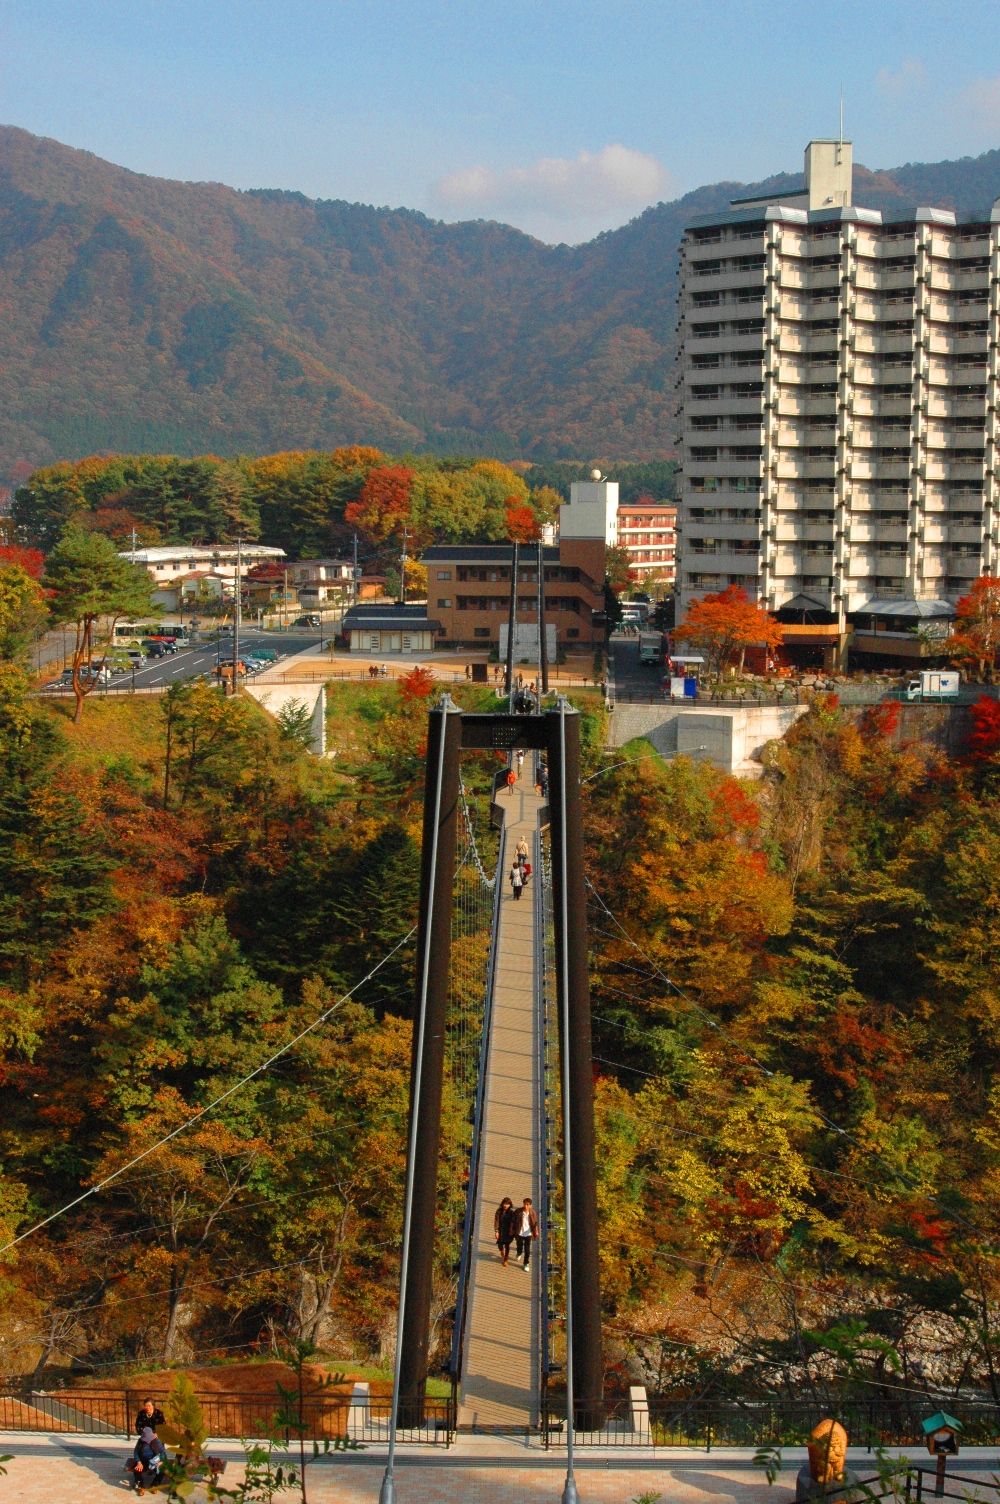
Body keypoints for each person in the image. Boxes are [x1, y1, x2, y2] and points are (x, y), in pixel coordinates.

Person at [128, 1427, 166, 1495]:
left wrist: (161, 1461)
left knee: (162, 1470)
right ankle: (141, 1486)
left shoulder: (156, 1441)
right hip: (143, 1460)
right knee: (136, 1469)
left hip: (154, 1461)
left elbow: (163, 1452)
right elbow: (136, 1452)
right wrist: (139, 1462)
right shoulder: (140, 1442)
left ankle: (154, 1485)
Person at [515, 1197, 539, 1270]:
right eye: (525, 1204)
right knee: (519, 1246)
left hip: (528, 1233)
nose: (526, 1206)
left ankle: (526, 1263)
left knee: (527, 1250)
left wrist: (536, 1231)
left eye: (528, 1205)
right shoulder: (518, 1211)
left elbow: (535, 1223)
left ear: (530, 1205)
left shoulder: (532, 1213)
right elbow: (513, 1220)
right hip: (520, 1232)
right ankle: (519, 1252)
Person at [494, 1196, 515, 1265]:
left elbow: (513, 1222)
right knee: (500, 1244)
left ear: (510, 1205)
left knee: (507, 1245)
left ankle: (505, 1259)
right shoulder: (499, 1211)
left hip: (508, 1231)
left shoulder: (511, 1212)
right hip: (501, 1230)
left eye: (508, 1204)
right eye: (505, 1204)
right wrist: (496, 1231)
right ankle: (501, 1249)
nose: (506, 1205)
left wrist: (512, 1230)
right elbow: (496, 1221)